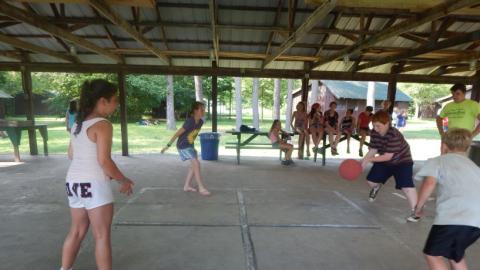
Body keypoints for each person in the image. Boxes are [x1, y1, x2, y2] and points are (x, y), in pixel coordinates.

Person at [61, 79, 134, 270]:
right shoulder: (103, 124)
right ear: (102, 101)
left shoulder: (78, 123)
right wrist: (122, 179)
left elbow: (71, 154)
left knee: (76, 231)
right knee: (101, 236)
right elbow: (104, 161)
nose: (116, 104)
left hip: (73, 184)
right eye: (114, 100)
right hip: (93, 185)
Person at [414, 128, 480, 270]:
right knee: (455, 255)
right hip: (476, 221)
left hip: (454, 217)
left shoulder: (439, 161)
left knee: (433, 255)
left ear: (443, 145)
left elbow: (429, 183)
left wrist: (418, 208)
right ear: (467, 147)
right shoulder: (475, 167)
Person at [361, 110, 419, 222]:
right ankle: (377, 187)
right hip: (385, 162)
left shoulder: (394, 135)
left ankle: (416, 212)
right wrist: (363, 163)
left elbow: (388, 156)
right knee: (371, 182)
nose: (376, 129)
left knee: (406, 186)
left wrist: (368, 160)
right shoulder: (374, 133)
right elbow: (373, 149)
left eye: (378, 126)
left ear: (387, 123)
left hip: (402, 162)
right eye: (374, 126)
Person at [161, 102, 211, 196]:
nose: (204, 111)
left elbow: (192, 135)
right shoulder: (189, 122)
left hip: (190, 146)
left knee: (193, 166)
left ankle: (186, 186)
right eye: (201, 109)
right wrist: (167, 146)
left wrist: (193, 147)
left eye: (204, 109)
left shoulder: (200, 122)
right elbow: (177, 134)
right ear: (195, 110)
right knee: (196, 163)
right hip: (182, 146)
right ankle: (201, 187)